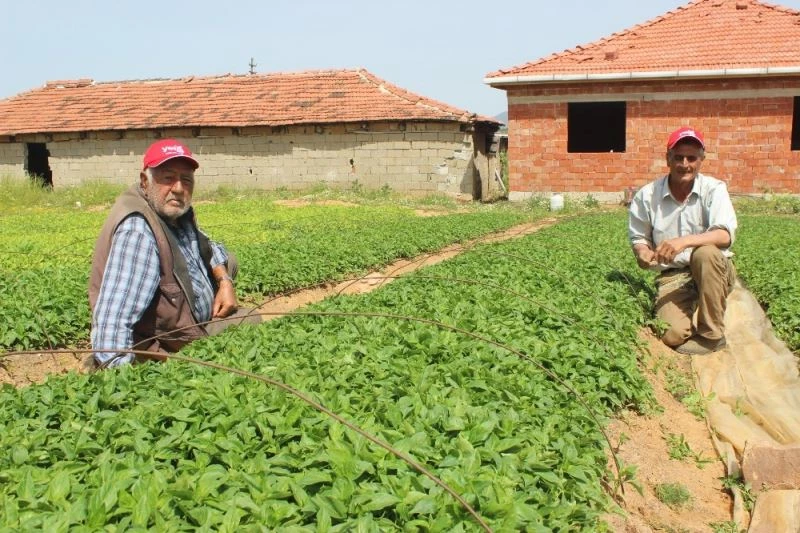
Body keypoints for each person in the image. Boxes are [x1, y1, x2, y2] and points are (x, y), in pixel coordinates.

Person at [89, 139, 259, 368]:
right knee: (250, 320)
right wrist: (120, 384)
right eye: (168, 178)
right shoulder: (138, 230)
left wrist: (224, 281)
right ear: (145, 181)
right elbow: (113, 319)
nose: (178, 188)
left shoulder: (173, 213)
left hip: (187, 321)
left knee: (231, 261)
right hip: (164, 344)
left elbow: (211, 246)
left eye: (186, 179)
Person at [628, 127, 737, 355]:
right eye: (678, 157)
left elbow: (724, 235)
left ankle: (711, 336)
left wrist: (684, 241)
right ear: (668, 158)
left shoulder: (714, 189)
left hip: (713, 269)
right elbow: (639, 239)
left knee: (705, 253)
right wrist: (643, 254)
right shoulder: (647, 196)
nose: (684, 164)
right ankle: (694, 302)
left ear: (701, 160)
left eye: (691, 158)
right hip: (674, 276)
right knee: (671, 335)